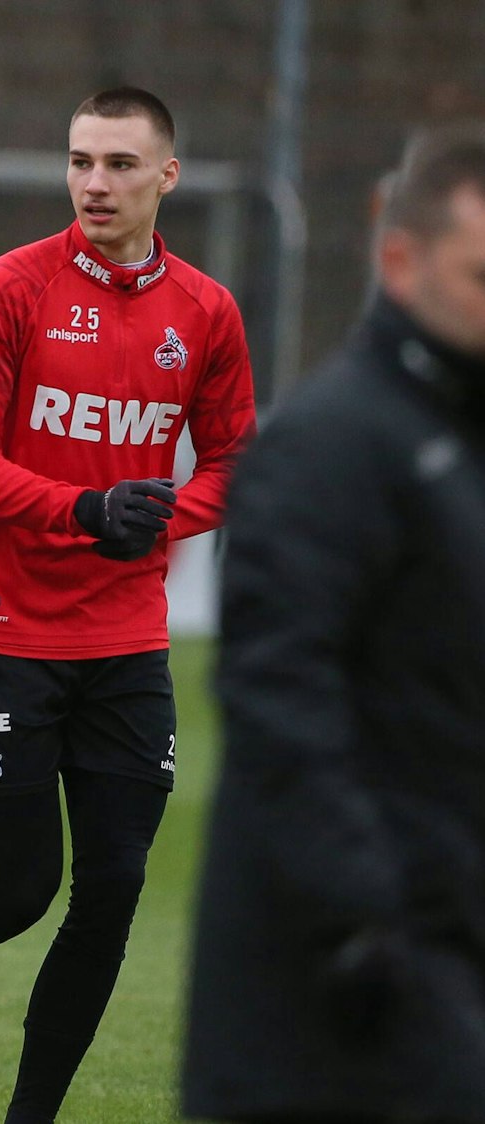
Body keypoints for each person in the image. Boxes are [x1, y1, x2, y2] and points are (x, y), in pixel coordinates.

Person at [0, 86, 255, 1122]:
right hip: (3, 623)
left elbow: (236, 461)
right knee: (20, 885)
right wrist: (84, 507)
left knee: (110, 889)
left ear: (169, 176)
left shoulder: (204, 310)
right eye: (79, 161)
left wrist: (155, 521)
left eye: (118, 163)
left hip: (124, 637)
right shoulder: (7, 289)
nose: (95, 182)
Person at [182, 124, 485, 1124]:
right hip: (344, 983)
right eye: (482, 274)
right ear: (399, 261)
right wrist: (364, 918)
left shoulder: (455, 441)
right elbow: (278, 697)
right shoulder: (331, 443)